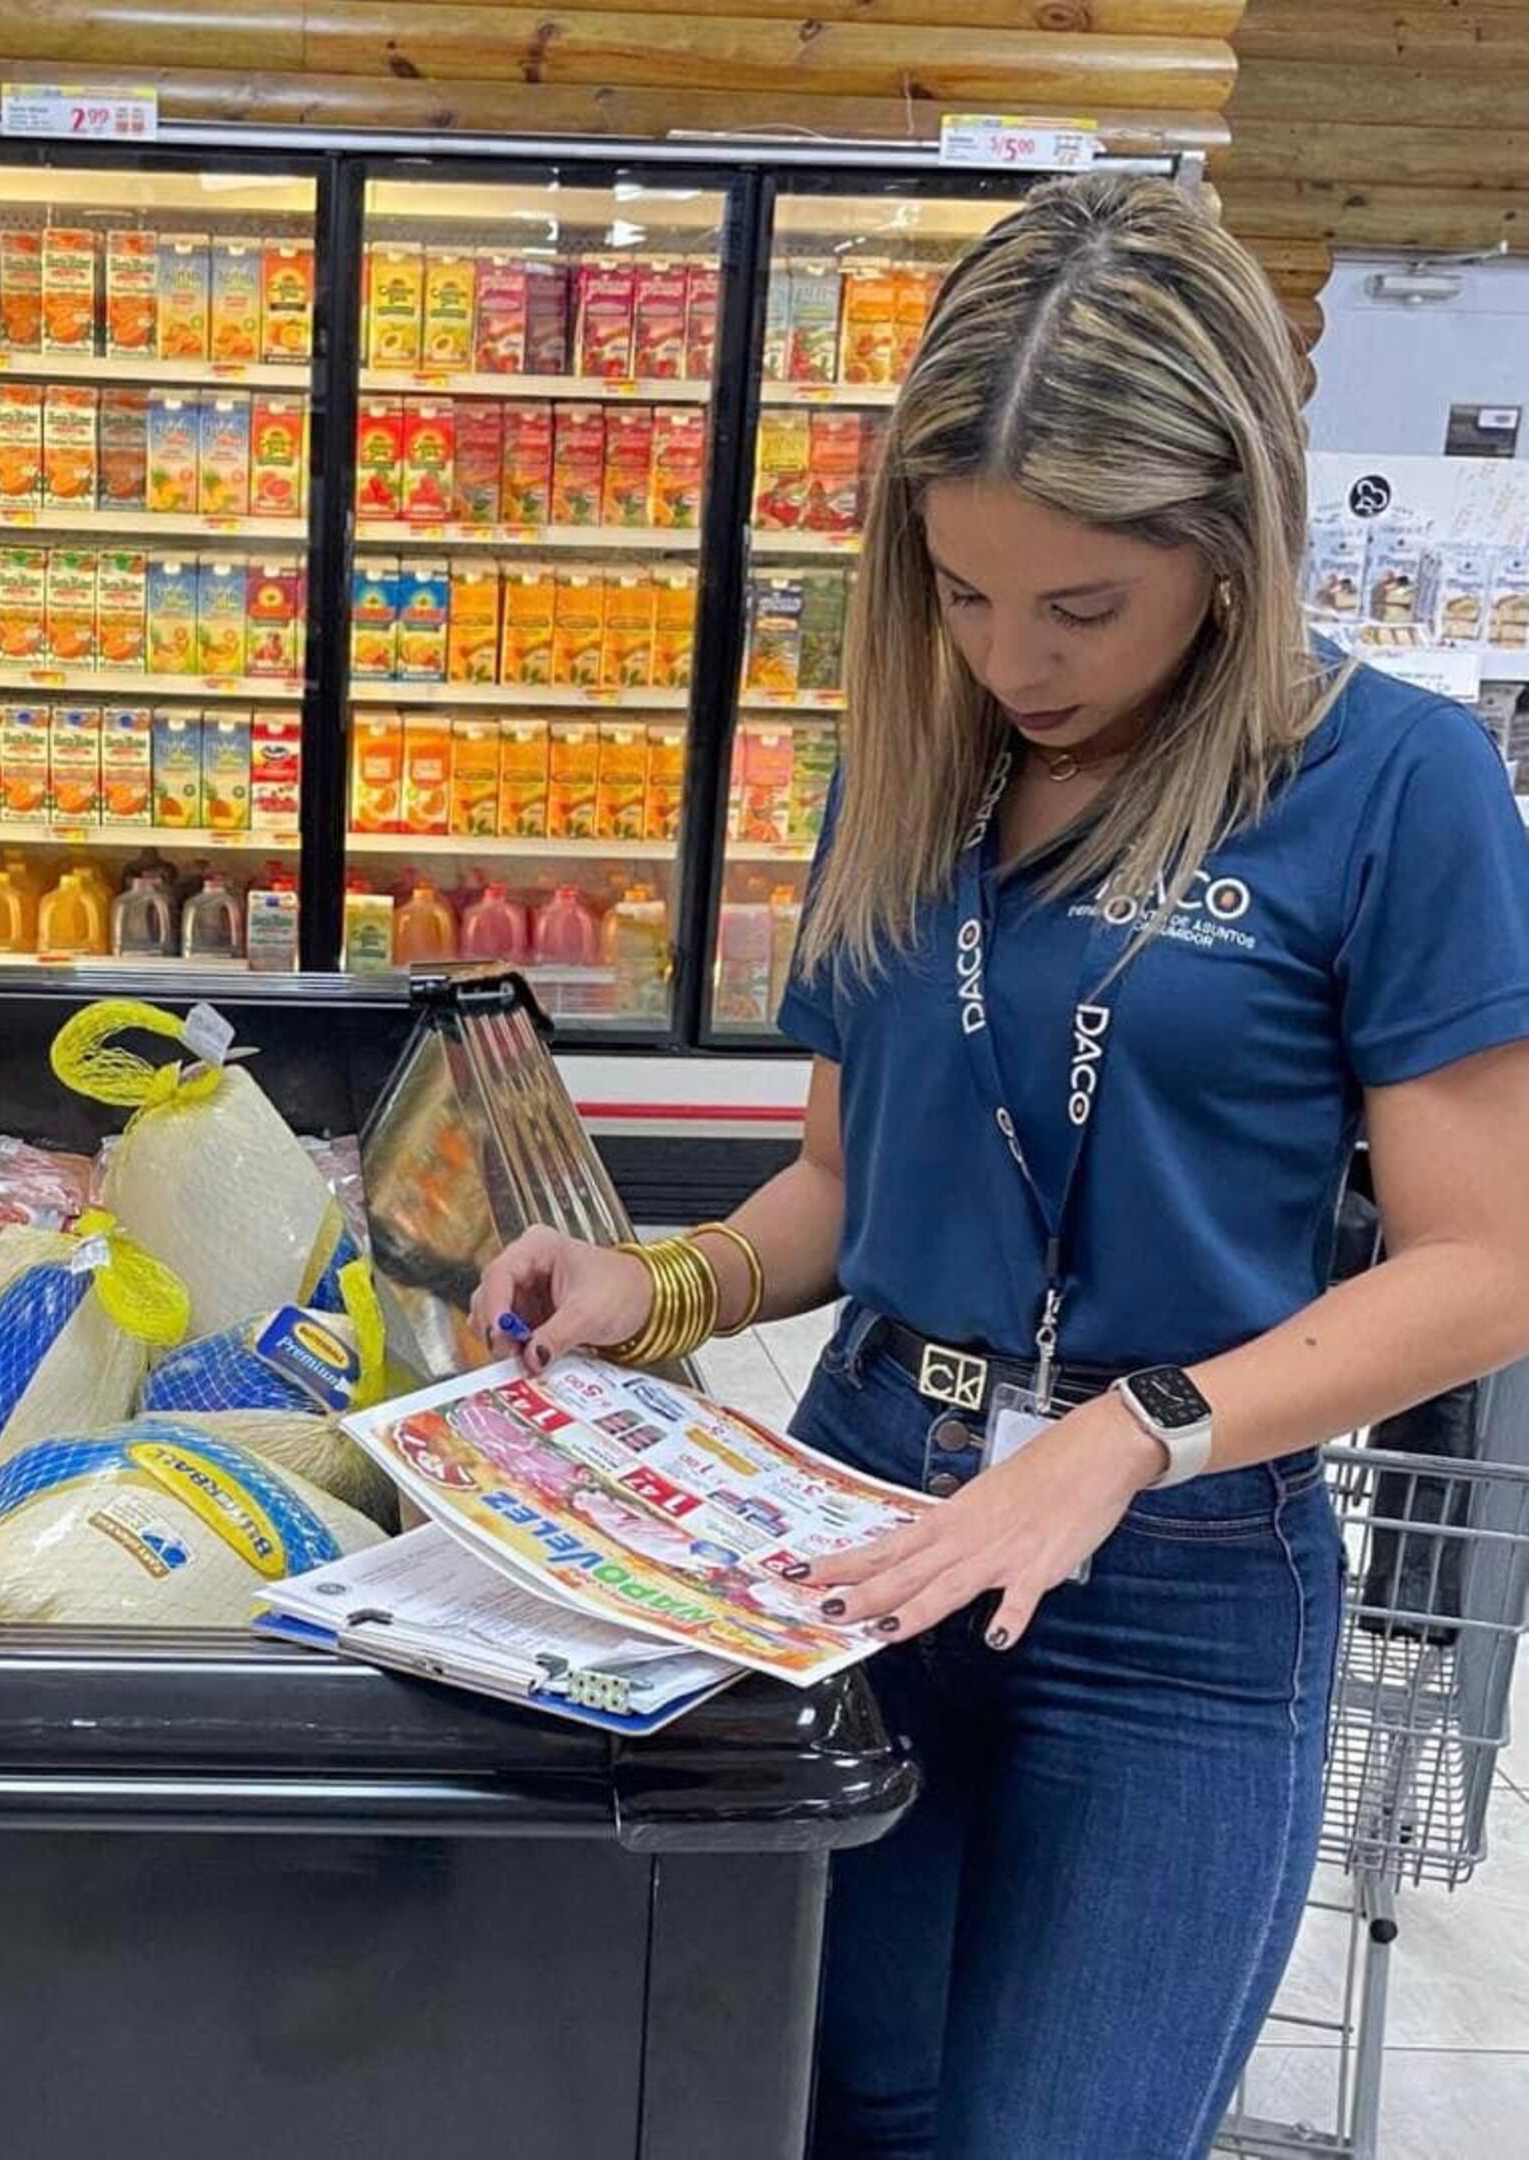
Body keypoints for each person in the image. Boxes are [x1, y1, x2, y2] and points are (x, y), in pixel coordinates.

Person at [472, 171, 1529, 2160]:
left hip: (1180, 1578)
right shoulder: (914, 747)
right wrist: (660, 1290)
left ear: (1229, 543)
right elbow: (832, 1194)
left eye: (1077, 608)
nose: (1010, 658)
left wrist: (1128, 1432)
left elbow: (1483, 1267)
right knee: (828, 2104)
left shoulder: (1396, 784)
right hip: (859, 1513)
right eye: (958, 593)